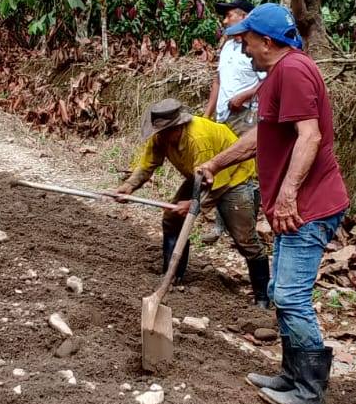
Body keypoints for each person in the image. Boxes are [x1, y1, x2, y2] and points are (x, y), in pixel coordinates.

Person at [196, 3, 349, 404]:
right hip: (297, 205)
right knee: (282, 292)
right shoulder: (277, 75)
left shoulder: (294, 71)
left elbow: (310, 137)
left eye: (247, 41)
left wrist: (287, 195)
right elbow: (261, 137)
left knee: (290, 296)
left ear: (267, 42)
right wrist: (217, 163)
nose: (243, 49)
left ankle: (310, 390)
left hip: (308, 206)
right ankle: (291, 374)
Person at [113, 97, 271, 306]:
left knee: (244, 239)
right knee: (171, 219)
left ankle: (263, 297)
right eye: (159, 132)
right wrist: (129, 186)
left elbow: (216, 185)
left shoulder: (198, 138)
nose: (161, 136)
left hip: (233, 179)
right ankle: (173, 275)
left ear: (178, 127)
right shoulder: (160, 137)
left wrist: (192, 205)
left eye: (166, 132)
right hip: (198, 176)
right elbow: (147, 165)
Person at [205, 0, 263, 137]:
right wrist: (207, 115)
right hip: (222, 117)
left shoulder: (257, 47)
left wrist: (243, 96)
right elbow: (218, 81)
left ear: (244, 16)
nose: (225, 21)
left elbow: (268, 80)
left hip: (244, 116)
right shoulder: (228, 46)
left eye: (229, 16)